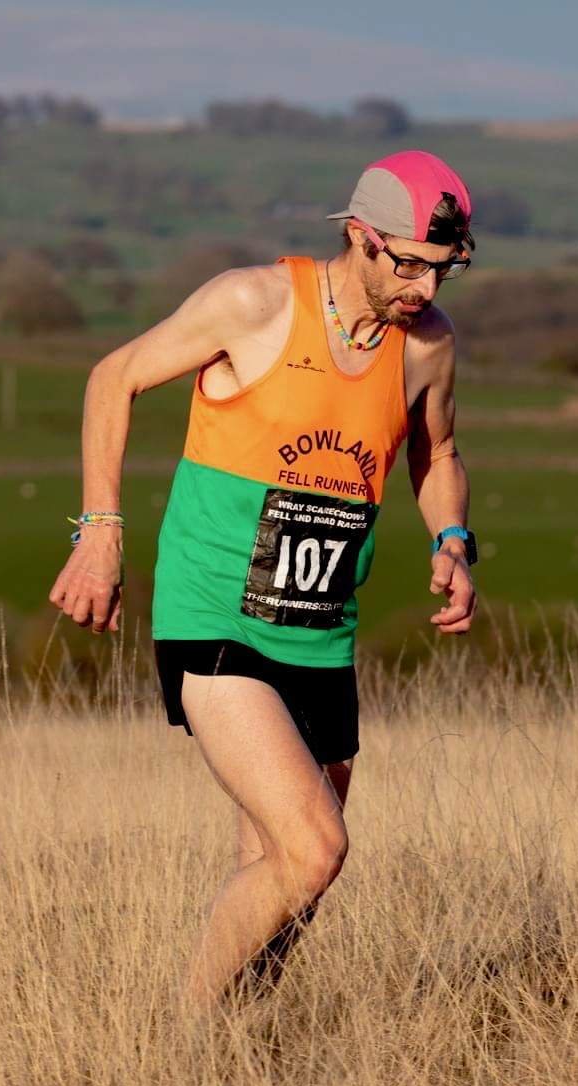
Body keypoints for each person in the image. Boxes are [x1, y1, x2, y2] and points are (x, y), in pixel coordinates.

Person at [48, 150, 480, 1009]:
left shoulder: (427, 347)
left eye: (446, 270)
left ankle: (241, 1056)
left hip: (320, 629)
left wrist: (454, 539)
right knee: (318, 846)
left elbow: (437, 453)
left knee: (286, 875)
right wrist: (100, 531)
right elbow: (114, 377)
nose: (426, 290)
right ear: (360, 237)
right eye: (410, 265)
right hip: (216, 614)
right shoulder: (254, 303)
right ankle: (179, 1039)